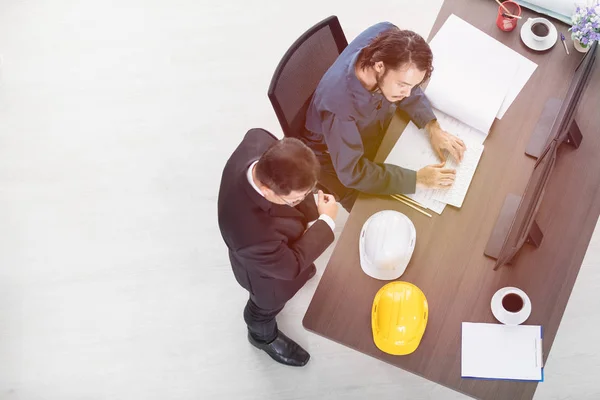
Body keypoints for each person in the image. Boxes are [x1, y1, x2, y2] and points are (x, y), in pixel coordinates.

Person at [303, 22, 467, 211]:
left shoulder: (387, 34)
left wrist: (432, 127)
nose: (407, 93)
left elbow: (407, 85)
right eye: (402, 85)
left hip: (369, 125)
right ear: (379, 66)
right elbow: (352, 173)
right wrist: (417, 179)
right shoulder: (339, 105)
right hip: (332, 155)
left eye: (412, 86)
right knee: (384, 210)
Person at [217, 128, 338, 367]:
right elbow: (289, 266)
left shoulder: (259, 140)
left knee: (303, 262)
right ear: (267, 191)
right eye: (296, 198)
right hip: (265, 277)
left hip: (278, 245)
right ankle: (262, 337)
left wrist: (308, 200)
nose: (302, 199)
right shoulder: (249, 233)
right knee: (265, 307)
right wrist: (327, 221)